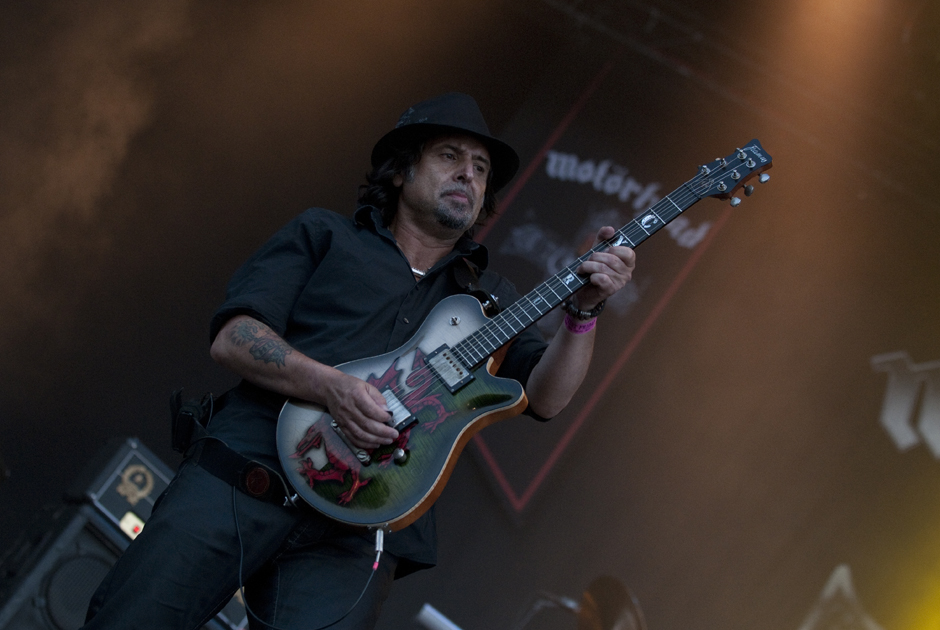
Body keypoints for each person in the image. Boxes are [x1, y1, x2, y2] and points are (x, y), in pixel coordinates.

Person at [81, 93, 636, 630]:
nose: (469, 174)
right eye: (450, 156)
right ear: (400, 171)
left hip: (356, 532)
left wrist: (584, 313)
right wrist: (332, 388)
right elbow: (234, 338)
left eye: (482, 168)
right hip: (240, 480)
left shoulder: (490, 298)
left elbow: (547, 396)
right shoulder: (324, 235)